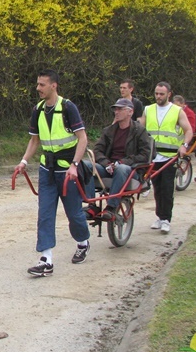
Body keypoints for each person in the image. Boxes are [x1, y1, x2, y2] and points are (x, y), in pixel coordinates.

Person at [15, 70, 91, 278]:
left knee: (74, 214)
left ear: (53, 86)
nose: (38, 88)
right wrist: (23, 161)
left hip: (67, 171)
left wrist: (75, 165)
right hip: (47, 169)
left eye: (42, 85)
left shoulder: (68, 107)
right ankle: (46, 259)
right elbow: (34, 140)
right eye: (37, 84)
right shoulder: (38, 110)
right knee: (45, 214)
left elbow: (82, 139)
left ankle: (83, 242)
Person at [84, 98, 152, 219]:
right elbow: (97, 150)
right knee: (86, 165)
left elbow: (145, 155)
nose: (116, 112)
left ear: (130, 112)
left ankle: (111, 207)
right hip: (109, 167)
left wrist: (121, 162)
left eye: (120, 109)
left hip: (131, 170)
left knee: (121, 168)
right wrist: (107, 164)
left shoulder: (139, 131)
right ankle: (92, 204)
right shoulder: (109, 130)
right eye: (115, 109)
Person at [140, 82, 193, 234]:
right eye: (156, 93)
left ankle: (166, 219)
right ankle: (159, 216)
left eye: (161, 94)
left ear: (169, 94)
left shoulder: (177, 111)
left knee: (167, 188)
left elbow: (188, 130)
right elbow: (140, 129)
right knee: (157, 188)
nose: (158, 96)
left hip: (170, 157)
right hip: (153, 157)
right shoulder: (148, 109)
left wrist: (185, 145)